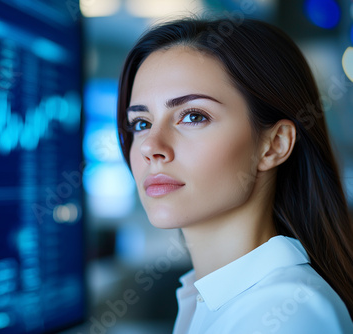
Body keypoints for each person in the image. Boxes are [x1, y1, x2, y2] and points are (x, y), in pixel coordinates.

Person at [116, 17, 353, 333]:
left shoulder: (286, 315)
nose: (151, 148)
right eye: (142, 123)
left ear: (273, 145)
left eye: (193, 116)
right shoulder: (204, 296)